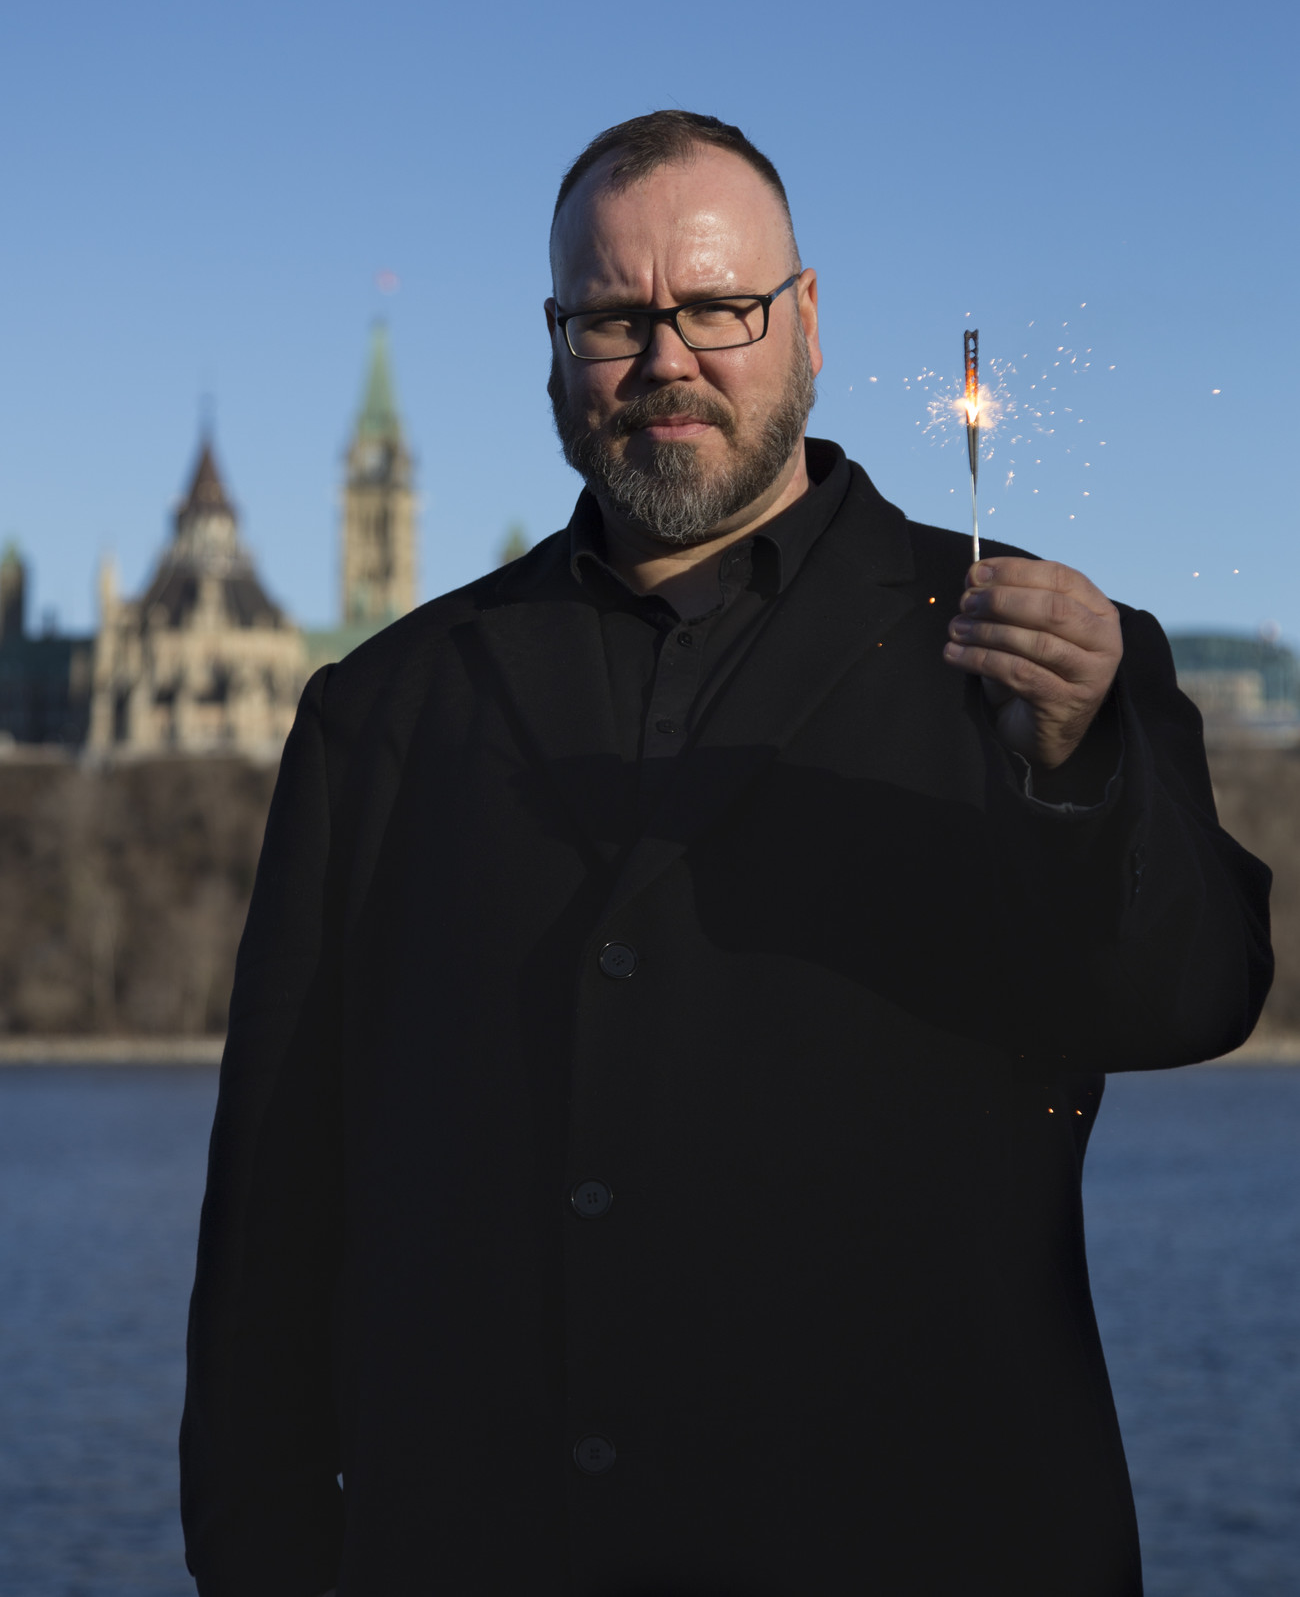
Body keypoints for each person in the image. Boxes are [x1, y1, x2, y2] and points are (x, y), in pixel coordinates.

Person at [181, 110, 1271, 1597]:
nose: (666, 357)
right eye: (615, 318)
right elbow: (270, 1239)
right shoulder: (379, 710)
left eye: (715, 307)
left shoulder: (1037, 658)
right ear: (557, 343)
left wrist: (1080, 774)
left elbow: (1189, 998)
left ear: (806, 321)